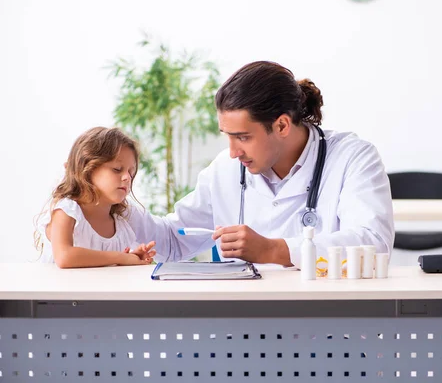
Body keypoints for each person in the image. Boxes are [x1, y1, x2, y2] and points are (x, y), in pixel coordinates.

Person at [129, 61, 394, 267]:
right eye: (228, 137)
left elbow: (373, 244)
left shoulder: (352, 158)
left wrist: (272, 250)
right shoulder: (225, 169)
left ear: (281, 125)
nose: (233, 152)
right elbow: (175, 240)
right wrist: (121, 209)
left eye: (243, 137)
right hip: (243, 325)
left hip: (328, 325)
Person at [35, 127, 156, 268]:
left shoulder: (121, 226)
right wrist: (121, 258)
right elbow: (64, 257)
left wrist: (132, 258)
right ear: (87, 168)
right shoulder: (67, 211)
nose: (127, 178)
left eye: (131, 172)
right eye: (117, 169)